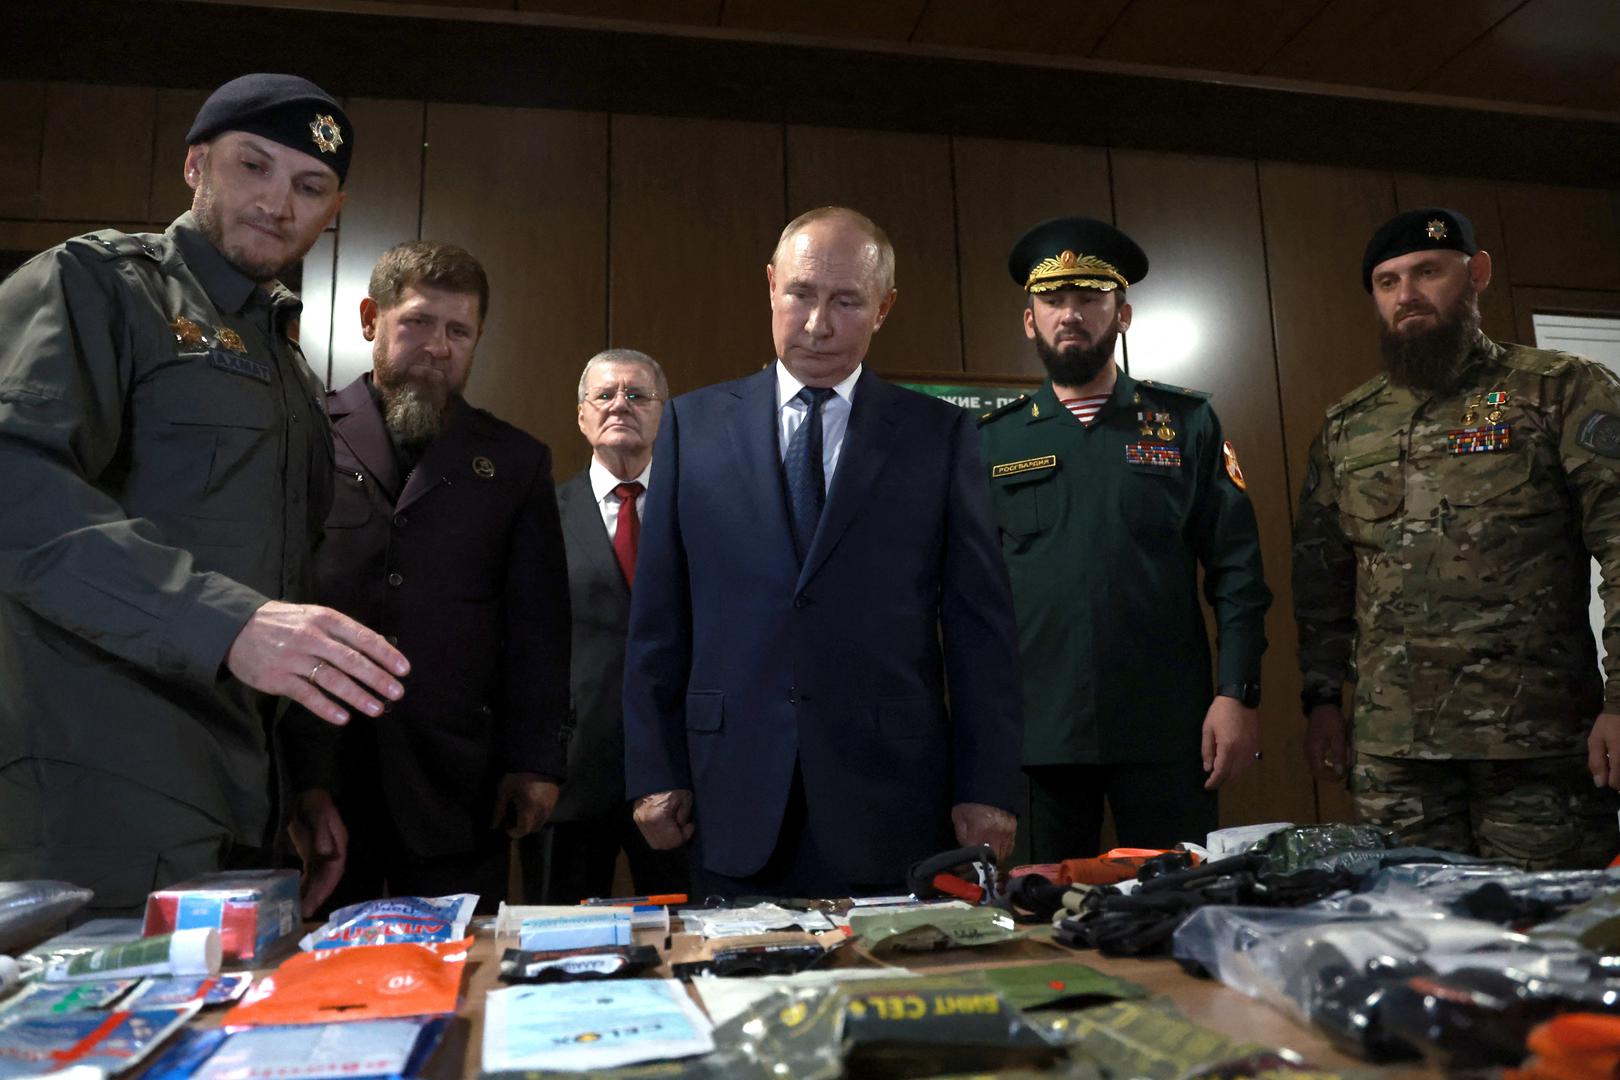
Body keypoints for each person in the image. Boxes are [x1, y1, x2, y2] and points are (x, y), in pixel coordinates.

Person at [0, 74, 409, 916]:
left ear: (333, 209)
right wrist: (222, 622)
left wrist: (299, 782)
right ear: (195, 166)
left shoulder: (287, 365)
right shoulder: (98, 284)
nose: (276, 202)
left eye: (309, 186)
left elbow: (280, 582)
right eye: (252, 166)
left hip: (237, 800)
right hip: (93, 790)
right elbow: (17, 487)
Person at [622, 206, 1023, 899]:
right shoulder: (691, 424)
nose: (817, 324)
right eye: (800, 295)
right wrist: (654, 768)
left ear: (884, 308)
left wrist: (988, 786)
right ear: (771, 286)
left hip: (890, 793)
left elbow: (979, 629)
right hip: (728, 789)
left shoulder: (939, 436)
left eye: (846, 301)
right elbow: (659, 617)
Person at [1293, 207, 1620, 869]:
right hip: (1396, 754)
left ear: (1477, 274)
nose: (1407, 294)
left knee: (1545, 940)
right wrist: (1323, 697)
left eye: (1427, 272)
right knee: (1414, 943)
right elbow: (1322, 576)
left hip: (1537, 742)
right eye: (1387, 282)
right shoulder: (1348, 427)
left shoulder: (1560, 391)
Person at [284, 241, 571, 915]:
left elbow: (538, 627)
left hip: (460, 784)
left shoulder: (516, 462)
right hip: (323, 778)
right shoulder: (304, 436)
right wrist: (298, 774)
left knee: (461, 978)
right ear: (369, 319)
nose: (437, 347)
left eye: (458, 330)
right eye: (417, 322)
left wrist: (535, 761)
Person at [978, 217, 1271, 862]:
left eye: (1089, 299)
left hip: (1167, 729)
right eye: (1053, 301)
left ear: (1123, 314)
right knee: (1037, 911)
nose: (1071, 315)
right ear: (1030, 320)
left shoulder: (1187, 424)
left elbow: (1238, 573)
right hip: (1036, 736)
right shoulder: (990, 442)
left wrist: (1236, 693)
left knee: (1176, 910)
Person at [524, 349, 690, 905]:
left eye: (637, 395)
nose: (621, 404)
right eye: (605, 395)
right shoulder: (540, 514)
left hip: (680, 778)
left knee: (690, 945)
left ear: (663, 415)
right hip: (566, 781)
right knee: (559, 952)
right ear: (582, 416)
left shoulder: (700, 510)